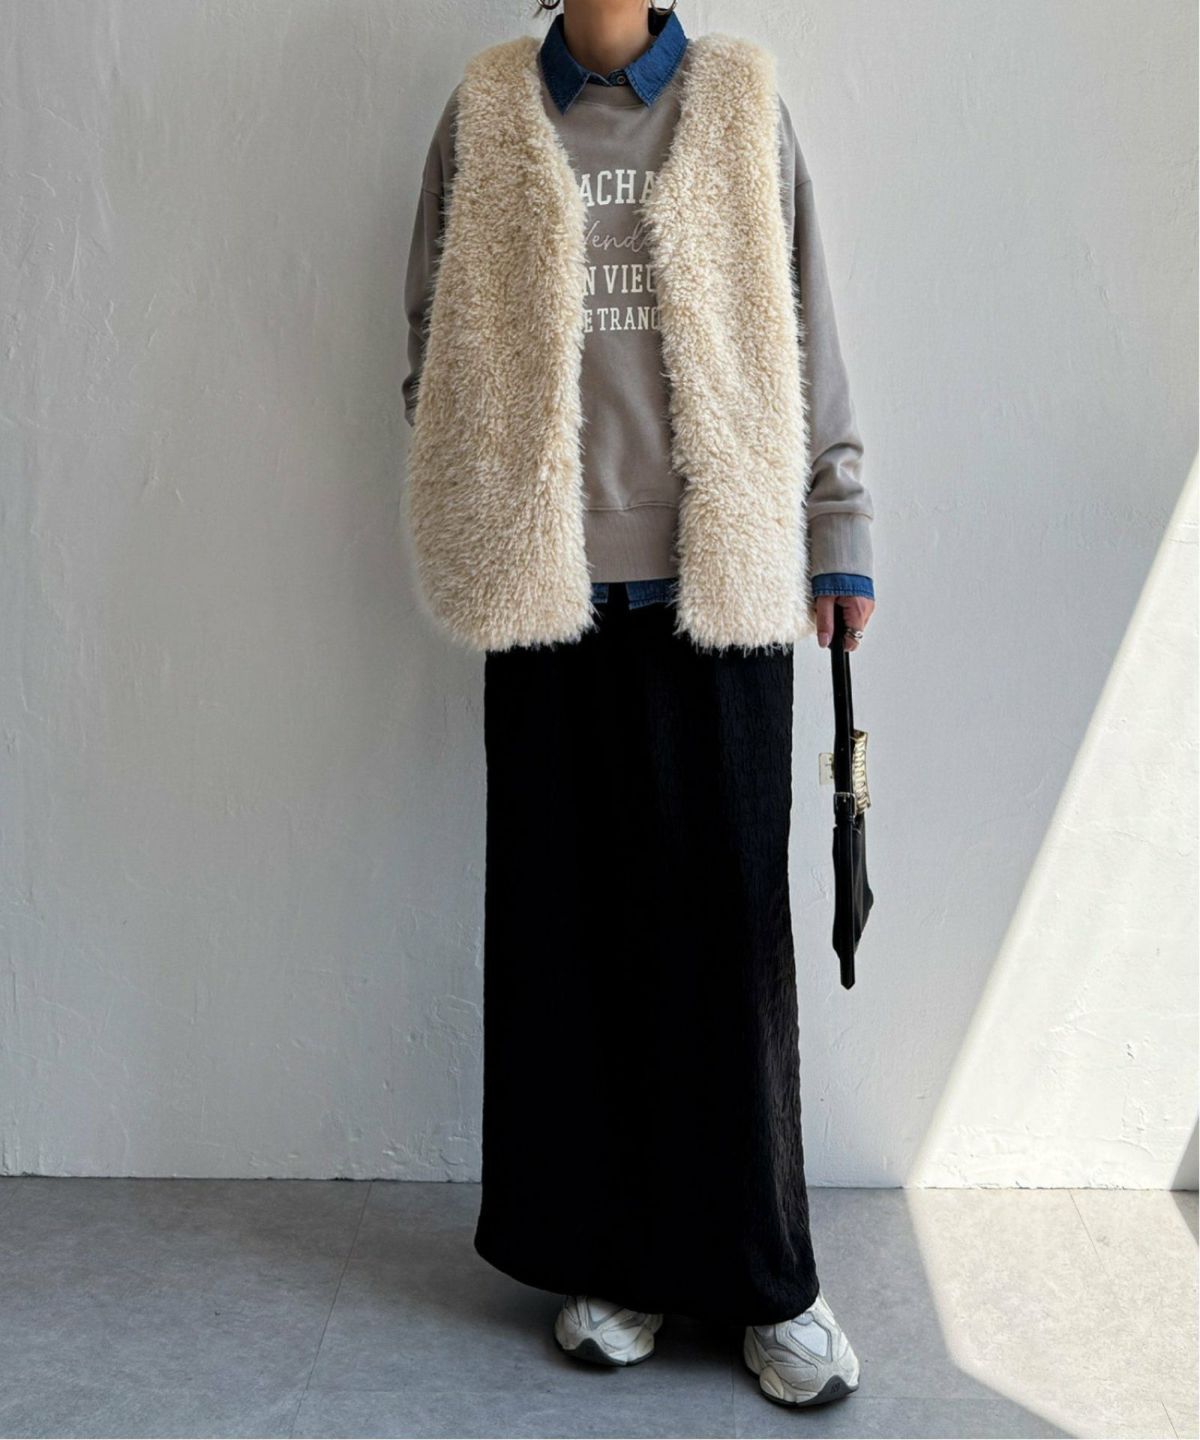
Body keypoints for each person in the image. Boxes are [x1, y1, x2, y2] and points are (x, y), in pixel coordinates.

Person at [401, 0, 876, 1409]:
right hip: (544, 587)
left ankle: (768, 1281)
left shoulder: (738, 102)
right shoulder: (488, 109)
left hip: (719, 580)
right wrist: (473, 470)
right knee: (574, 933)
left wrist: (838, 528)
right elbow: (430, 329)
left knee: (727, 939)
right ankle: (616, 1260)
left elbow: (806, 324)